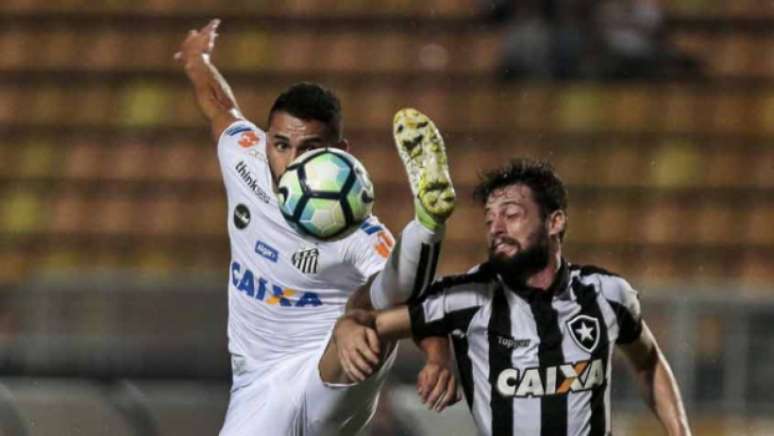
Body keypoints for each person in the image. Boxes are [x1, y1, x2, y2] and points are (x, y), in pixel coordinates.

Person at [175, 19, 459, 436]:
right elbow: (219, 106)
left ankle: (428, 225)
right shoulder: (245, 159)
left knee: (371, 311)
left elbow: (414, 297)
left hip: (333, 371)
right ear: (266, 141)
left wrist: (438, 354)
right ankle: (422, 235)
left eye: (310, 148)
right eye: (281, 144)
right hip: (257, 382)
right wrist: (196, 60)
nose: (292, 161)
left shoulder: (358, 232)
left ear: (340, 153)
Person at [331, 158, 692, 435]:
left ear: (555, 222)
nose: (497, 229)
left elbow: (650, 363)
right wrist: (348, 328)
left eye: (512, 215)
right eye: (490, 221)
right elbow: (372, 320)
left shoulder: (608, 295)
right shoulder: (469, 297)